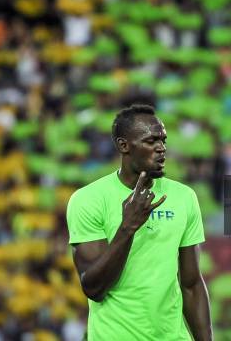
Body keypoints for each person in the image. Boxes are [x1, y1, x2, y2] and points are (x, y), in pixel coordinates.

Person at [66, 104, 213, 340]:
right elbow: (94, 288)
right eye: (151, 141)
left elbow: (192, 284)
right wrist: (128, 227)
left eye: (163, 140)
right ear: (124, 145)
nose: (162, 148)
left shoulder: (184, 197)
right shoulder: (88, 200)